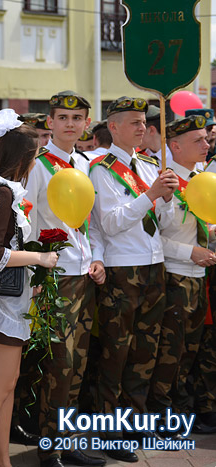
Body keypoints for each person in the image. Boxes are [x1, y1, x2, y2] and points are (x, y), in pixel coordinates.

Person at [88, 96, 178, 463]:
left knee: (145, 352)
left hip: (154, 264)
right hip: (123, 268)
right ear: (113, 127)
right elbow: (110, 222)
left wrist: (167, 199)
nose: (142, 128)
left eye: (143, 122)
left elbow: (165, 224)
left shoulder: (148, 164)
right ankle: (109, 431)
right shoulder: (102, 168)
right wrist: (151, 194)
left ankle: (133, 422)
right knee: (116, 353)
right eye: (133, 122)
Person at [0, 109, 59, 467]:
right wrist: (39, 260)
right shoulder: (0, 193)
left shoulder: (1, 189)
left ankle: (3, 459)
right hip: (1, 304)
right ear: (23, 157)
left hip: (11, 300)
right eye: (34, 155)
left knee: (7, 386)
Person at [25, 91, 105, 467]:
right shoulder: (37, 165)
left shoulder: (85, 163)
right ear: (50, 123)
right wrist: (36, 271)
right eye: (63, 118)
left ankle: (69, 439)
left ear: (87, 123)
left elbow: (90, 221)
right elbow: (25, 224)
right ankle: (49, 447)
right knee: (58, 364)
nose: (71, 124)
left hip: (85, 275)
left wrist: (98, 258)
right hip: (55, 278)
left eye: (78, 118)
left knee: (79, 363)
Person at [147, 115, 215, 430]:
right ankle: (163, 418)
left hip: (199, 278)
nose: (206, 144)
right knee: (169, 355)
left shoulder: (203, 179)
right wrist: (192, 252)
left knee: (190, 352)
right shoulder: (168, 183)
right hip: (175, 276)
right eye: (198, 140)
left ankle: (181, 412)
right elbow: (156, 236)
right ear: (175, 146)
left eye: (205, 138)